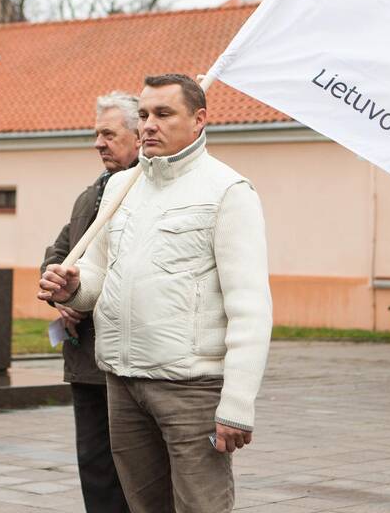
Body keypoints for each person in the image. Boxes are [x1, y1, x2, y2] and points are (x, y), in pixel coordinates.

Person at [40, 74, 273, 513]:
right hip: (122, 382)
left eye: (163, 114)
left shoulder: (228, 191)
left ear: (199, 120)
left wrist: (237, 403)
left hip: (191, 388)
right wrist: (74, 288)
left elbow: (251, 308)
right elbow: (97, 273)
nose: (148, 124)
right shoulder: (119, 187)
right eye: (144, 114)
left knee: (200, 508)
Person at [41, 92, 140, 513]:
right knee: (96, 468)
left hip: (129, 357)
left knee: (136, 471)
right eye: (96, 133)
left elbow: (141, 272)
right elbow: (60, 250)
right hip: (85, 362)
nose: (98, 143)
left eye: (108, 134)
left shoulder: (148, 194)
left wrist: (86, 297)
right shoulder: (90, 194)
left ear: (139, 137)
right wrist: (58, 288)